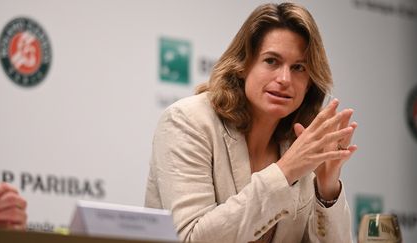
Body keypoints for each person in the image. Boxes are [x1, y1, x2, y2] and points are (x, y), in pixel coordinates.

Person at [145, 2, 357, 242]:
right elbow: (191, 237)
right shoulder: (187, 122)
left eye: (299, 67)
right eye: (271, 61)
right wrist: (285, 172)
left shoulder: (300, 140)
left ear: (310, 82)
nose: (284, 79)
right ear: (243, 65)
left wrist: (327, 190)